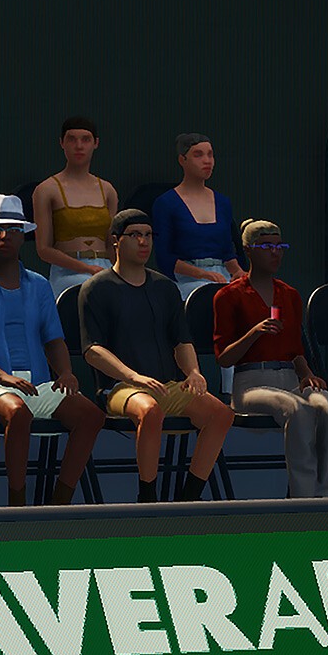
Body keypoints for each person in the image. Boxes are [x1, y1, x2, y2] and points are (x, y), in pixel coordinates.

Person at [0, 195, 104, 507]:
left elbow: (53, 339)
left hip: (39, 385)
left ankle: (59, 503)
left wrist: (66, 373)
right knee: (18, 412)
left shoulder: (39, 285)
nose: (5, 235)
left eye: (13, 229)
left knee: (91, 415)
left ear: (23, 236)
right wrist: (2, 377)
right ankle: (17, 505)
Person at [79, 209, 234, 504]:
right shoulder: (96, 288)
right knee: (149, 411)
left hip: (166, 384)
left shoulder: (165, 287)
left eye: (148, 235)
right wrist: (133, 376)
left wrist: (193, 372)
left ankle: (189, 498)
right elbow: (93, 351)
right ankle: (148, 498)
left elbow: (182, 340)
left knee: (221, 414)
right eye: (135, 235)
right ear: (116, 241)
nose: (143, 241)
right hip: (119, 388)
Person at [212, 219, 328, 498]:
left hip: (290, 379)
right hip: (251, 384)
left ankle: (321, 489)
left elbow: (296, 350)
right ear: (248, 250)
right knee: (296, 409)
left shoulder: (289, 295)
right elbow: (224, 358)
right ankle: (302, 498)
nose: (275, 253)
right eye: (266, 247)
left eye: (279, 246)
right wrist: (254, 333)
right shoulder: (229, 296)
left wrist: (306, 374)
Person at [33, 117, 119, 297]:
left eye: (85, 139)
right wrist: (87, 268)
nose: (79, 146)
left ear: (96, 143)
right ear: (62, 143)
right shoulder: (46, 190)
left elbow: (111, 243)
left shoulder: (107, 190)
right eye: (72, 139)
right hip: (67, 272)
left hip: (105, 269)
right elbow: (43, 249)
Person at [152, 134, 246, 298]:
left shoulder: (222, 202)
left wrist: (238, 271)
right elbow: (164, 257)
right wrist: (203, 274)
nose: (207, 161)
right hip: (186, 280)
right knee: (207, 296)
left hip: (222, 277)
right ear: (182, 160)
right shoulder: (166, 203)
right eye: (198, 155)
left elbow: (227, 252)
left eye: (210, 154)